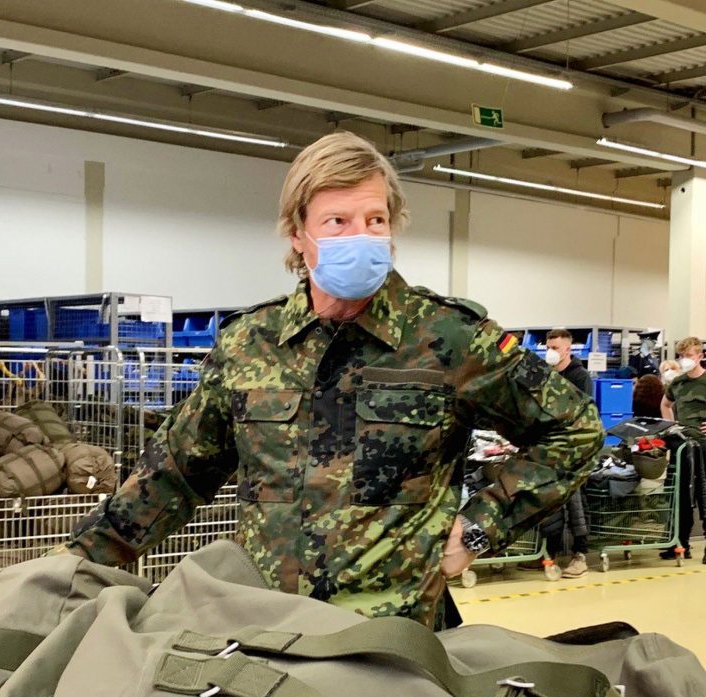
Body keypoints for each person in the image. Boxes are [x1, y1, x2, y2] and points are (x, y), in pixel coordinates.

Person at [52, 131, 603, 629]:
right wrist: (71, 569)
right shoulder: (250, 343)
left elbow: (574, 429)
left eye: (375, 220)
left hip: (393, 637)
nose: (361, 236)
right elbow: (175, 472)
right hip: (265, 628)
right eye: (338, 222)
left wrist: (479, 526)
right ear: (298, 234)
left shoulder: (450, 337)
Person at [533, 329, 593, 577]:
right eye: (548, 347)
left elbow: (582, 412)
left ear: (568, 349)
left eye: (555, 348)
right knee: (551, 501)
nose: (550, 352)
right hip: (550, 447)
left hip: (575, 447)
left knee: (577, 501)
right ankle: (550, 553)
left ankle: (580, 555)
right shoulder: (545, 375)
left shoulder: (580, 377)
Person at [660, 337, 706, 560]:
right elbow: (665, 404)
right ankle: (680, 543)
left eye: (689, 355)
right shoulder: (677, 383)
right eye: (681, 356)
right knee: (680, 495)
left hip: (704, 447)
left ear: (700, 356)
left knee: (704, 495)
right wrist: (671, 426)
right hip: (683, 446)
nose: (685, 359)